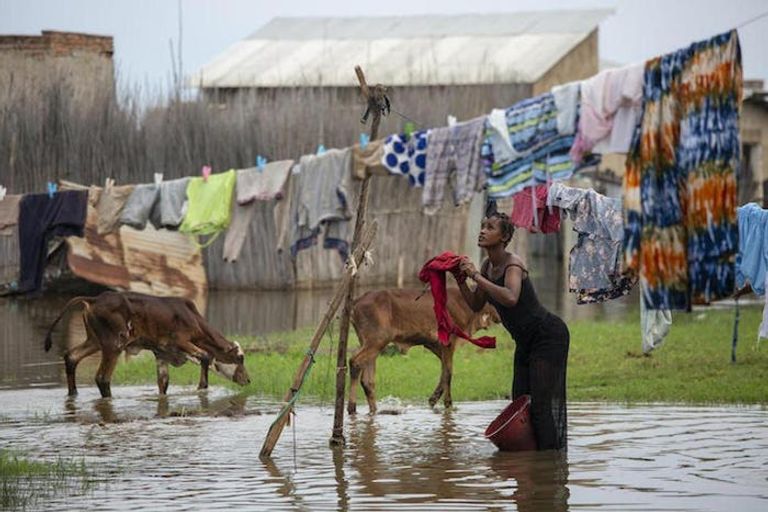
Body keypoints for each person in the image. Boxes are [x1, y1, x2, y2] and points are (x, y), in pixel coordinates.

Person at [456, 205, 570, 450]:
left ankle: (548, 466)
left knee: (540, 406)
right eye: (483, 226)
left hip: (547, 336)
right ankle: (531, 463)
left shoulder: (512, 264)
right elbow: (476, 304)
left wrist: (475, 277)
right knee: (519, 403)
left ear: (504, 237)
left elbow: (510, 297)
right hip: (525, 342)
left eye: (490, 227)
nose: (483, 231)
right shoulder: (488, 266)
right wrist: (461, 280)